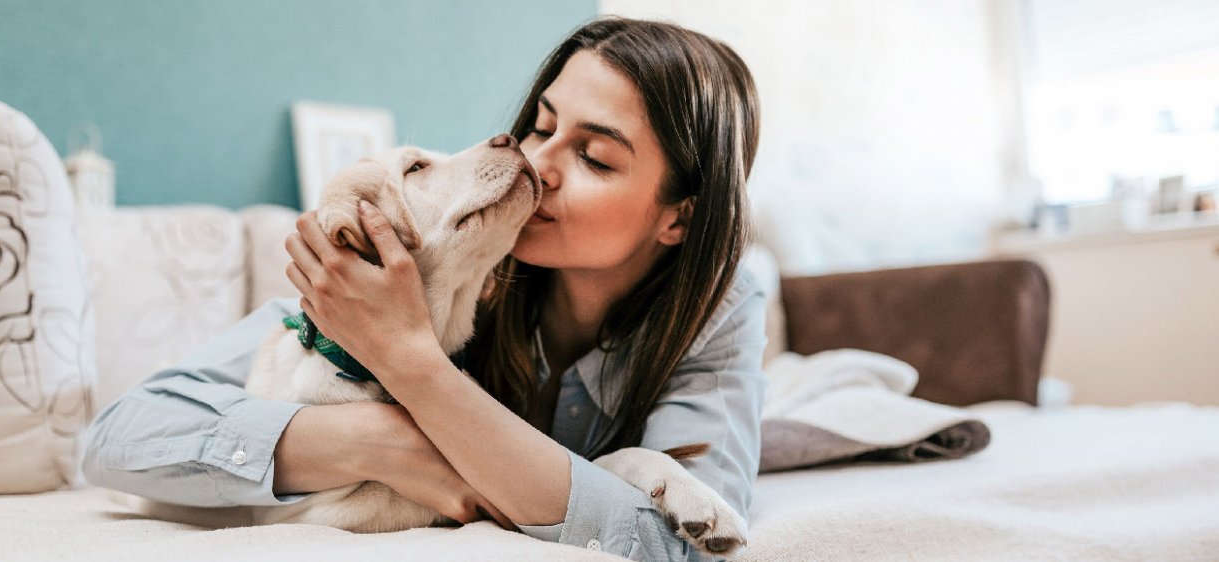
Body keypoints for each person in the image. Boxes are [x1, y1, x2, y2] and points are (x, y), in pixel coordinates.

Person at [82, 16, 765, 562]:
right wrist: (384, 440)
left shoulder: (718, 309)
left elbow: (681, 545)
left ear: (681, 216)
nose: (538, 161)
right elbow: (118, 436)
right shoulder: (442, 266)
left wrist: (413, 364)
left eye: (594, 156)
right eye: (543, 125)